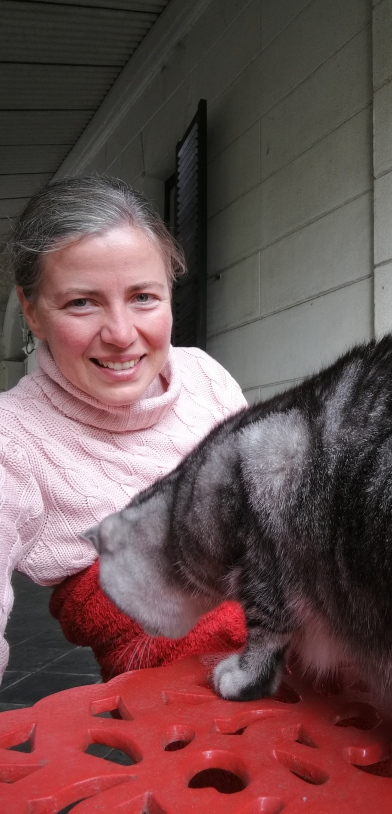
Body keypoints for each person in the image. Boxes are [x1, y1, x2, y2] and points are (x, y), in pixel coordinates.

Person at [0, 175, 247, 684]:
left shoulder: (205, 377)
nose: (120, 333)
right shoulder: (14, 438)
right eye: (81, 303)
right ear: (32, 312)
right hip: (189, 703)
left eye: (143, 297)